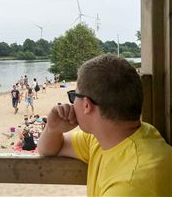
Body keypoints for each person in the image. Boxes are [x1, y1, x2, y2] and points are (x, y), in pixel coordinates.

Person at [38, 54, 172, 197]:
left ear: (87, 105)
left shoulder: (130, 185)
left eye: (74, 96)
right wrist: (53, 129)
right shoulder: (111, 138)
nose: (72, 103)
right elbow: (48, 150)